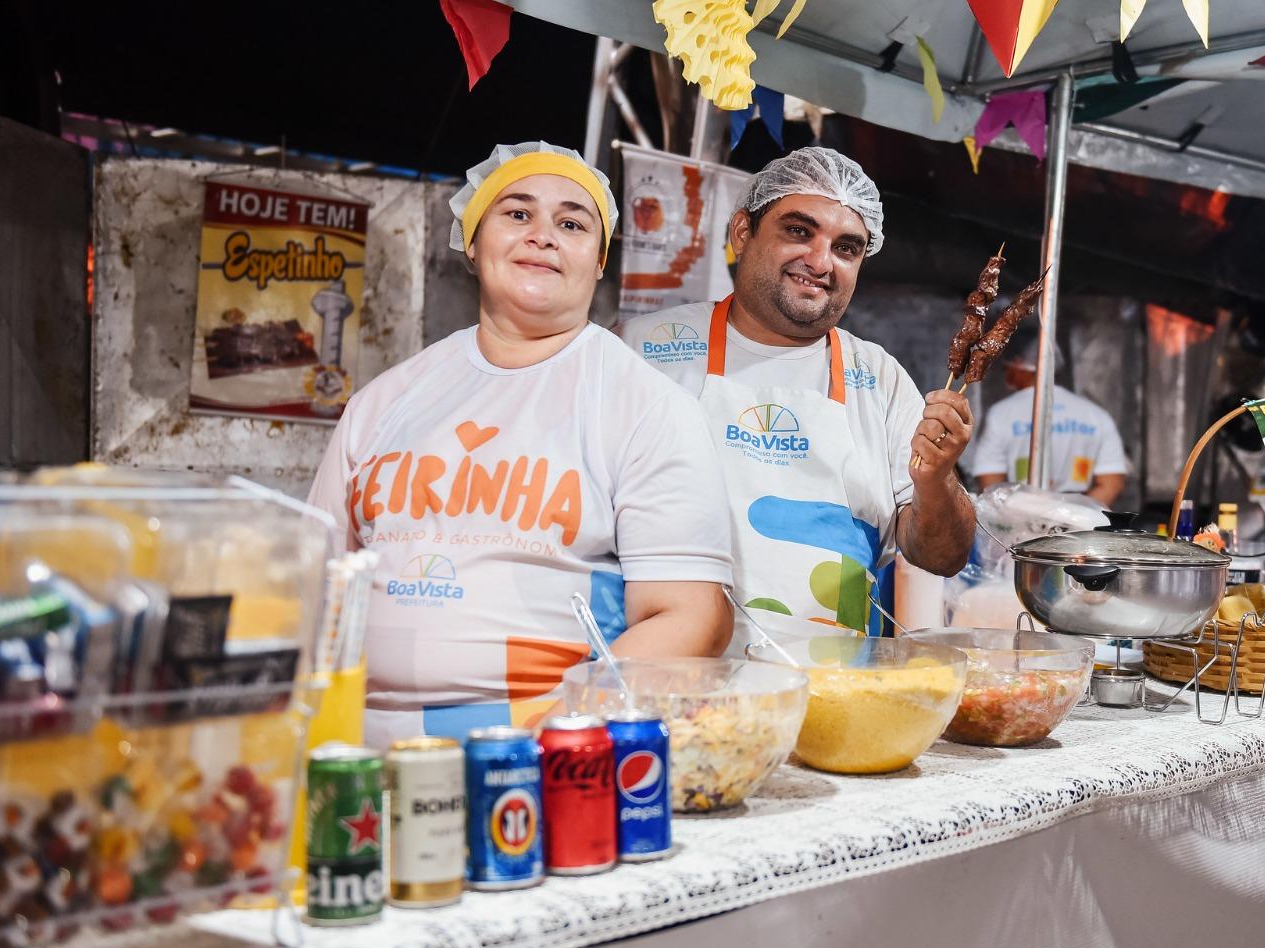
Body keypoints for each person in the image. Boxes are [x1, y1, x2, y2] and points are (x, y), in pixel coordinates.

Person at [309, 142, 733, 747]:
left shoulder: (644, 406)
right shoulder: (383, 403)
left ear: (599, 260)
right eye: (516, 214)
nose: (543, 236)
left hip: (537, 752)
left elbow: (691, 618)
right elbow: (316, 586)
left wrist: (557, 732)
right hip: (355, 746)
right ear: (472, 242)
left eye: (571, 223)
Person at [618, 147, 974, 639]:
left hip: (832, 693)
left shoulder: (881, 380)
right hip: (673, 681)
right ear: (742, 231)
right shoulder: (641, 351)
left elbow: (943, 556)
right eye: (798, 231)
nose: (820, 261)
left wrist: (937, 480)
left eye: (847, 248)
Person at [968, 336, 1128, 504]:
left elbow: (990, 483)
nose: (1006, 372)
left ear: (1021, 365)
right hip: (1078, 525)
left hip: (1019, 521)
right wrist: (1075, 518)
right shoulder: (1096, 416)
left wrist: (1025, 515)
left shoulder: (1000, 414)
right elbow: (1111, 484)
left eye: (1008, 366)